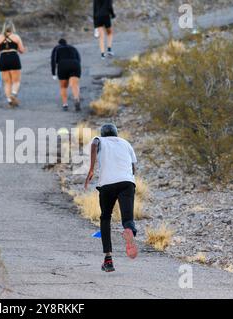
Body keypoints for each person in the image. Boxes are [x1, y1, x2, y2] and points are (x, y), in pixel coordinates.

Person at [84, 123, 138, 272]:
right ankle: (129, 230)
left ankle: (108, 259)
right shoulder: (125, 143)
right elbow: (134, 167)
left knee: (105, 217)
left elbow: (94, 144)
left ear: (103, 134)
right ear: (116, 133)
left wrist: (91, 169)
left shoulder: (99, 140)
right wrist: (128, 178)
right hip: (127, 183)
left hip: (107, 184)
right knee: (128, 218)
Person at [0, 20, 26, 108]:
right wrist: (17, 48)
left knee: (7, 82)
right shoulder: (16, 37)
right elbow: (22, 50)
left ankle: (9, 100)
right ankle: (13, 95)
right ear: (12, 28)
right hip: (13, 58)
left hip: (3, 59)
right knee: (16, 81)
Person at [51, 39, 82, 112]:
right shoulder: (73, 48)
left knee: (63, 87)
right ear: (66, 43)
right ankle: (76, 99)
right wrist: (77, 67)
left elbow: (53, 60)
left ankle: (65, 104)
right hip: (75, 64)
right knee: (75, 84)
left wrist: (53, 73)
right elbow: (79, 59)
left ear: (59, 43)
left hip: (63, 65)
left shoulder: (57, 48)